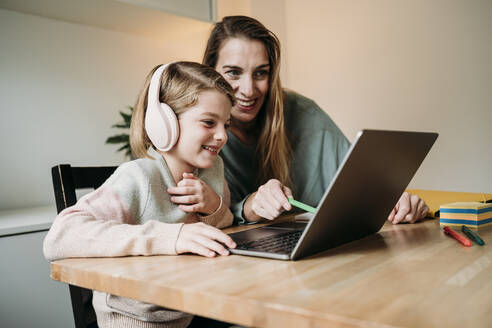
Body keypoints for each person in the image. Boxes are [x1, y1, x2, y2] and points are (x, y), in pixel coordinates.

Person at [43, 61, 237, 328]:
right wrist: (171, 236)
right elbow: (59, 237)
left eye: (225, 124)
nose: (222, 136)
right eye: (208, 122)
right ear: (164, 123)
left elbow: (221, 232)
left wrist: (214, 208)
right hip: (136, 319)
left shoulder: (213, 169)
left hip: (190, 310)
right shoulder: (139, 176)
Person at [201, 16, 429, 225]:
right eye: (233, 72)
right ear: (210, 72)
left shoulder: (304, 114)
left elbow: (362, 187)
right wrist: (251, 206)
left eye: (261, 73)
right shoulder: (192, 128)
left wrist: (396, 201)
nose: (249, 90)